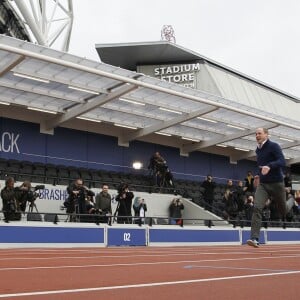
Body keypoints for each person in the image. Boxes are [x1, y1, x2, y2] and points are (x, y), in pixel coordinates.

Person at [247, 128, 295, 248]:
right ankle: (254, 238)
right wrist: (258, 174)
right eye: (256, 133)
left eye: (259, 133)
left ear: (266, 135)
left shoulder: (274, 146)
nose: (257, 135)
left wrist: (269, 166)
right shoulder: (258, 150)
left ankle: (292, 200)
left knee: (283, 211)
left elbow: (282, 161)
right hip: (263, 184)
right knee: (257, 207)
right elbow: (261, 165)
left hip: (277, 183)